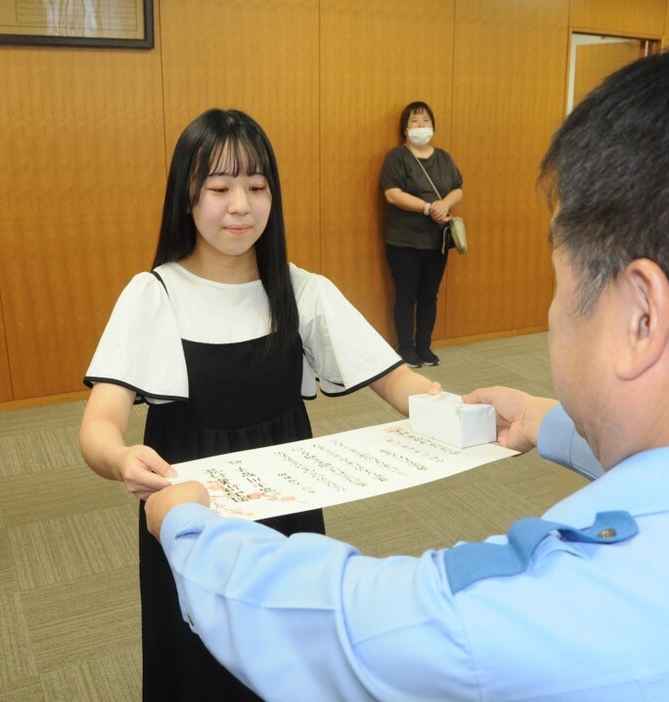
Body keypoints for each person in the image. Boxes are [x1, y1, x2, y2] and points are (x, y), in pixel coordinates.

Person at [145, 45, 669, 700]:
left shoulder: (530, 615)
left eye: (559, 282)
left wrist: (189, 529)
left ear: (641, 319)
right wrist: (545, 420)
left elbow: (342, 624)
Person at [78, 108, 440, 702]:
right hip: (188, 510)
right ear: (187, 197)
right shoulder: (154, 294)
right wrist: (119, 459)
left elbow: (398, 381)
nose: (240, 205)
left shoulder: (302, 290)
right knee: (196, 658)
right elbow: (100, 423)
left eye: (256, 186)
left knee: (292, 652)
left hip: (291, 505)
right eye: (219, 188)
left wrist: (451, 407)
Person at [380, 101, 463, 368]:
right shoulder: (397, 157)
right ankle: (406, 349)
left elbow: (458, 187)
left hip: (436, 242)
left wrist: (445, 204)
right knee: (406, 295)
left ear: (433, 126)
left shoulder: (444, 158)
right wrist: (428, 207)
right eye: (414, 121)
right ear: (405, 129)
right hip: (403, 241)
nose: (420, 126)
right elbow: (393, 194)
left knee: (430, 295)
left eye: (425, 121)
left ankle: (424, 347)